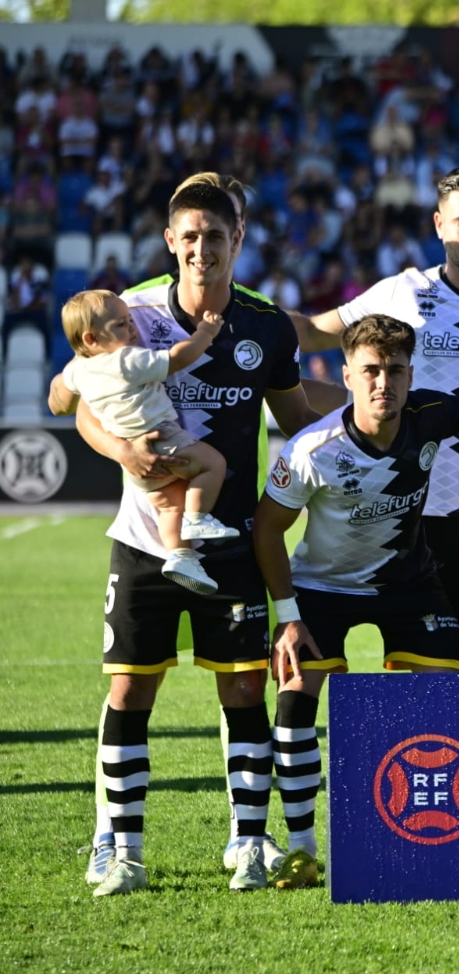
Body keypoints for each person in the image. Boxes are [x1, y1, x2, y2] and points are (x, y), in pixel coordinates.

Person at [57, 181, 320, 895]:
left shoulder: (266, 326)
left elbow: (298, 417)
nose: (204, 249)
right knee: (127, 693)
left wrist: (380, 415)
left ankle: (248, 840)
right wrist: (121, 453)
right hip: (143, 540)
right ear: (172, 242)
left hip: (229, 539)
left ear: (240, 239)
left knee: (241, 690)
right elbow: (77, 402)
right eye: (191, 236)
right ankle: (118, 844)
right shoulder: (131, 312)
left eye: (218, 235)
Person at [252, 314, 459, 890]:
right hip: (321, 590)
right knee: (296, 696)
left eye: (396, 371)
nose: (384, 383)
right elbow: (266, 530)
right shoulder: (312, 449)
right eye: (371, 371)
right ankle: (302, 848)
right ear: (346, 375)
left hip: (409, 587)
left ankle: (430, 834)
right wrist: (287, 619)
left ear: (411, 375)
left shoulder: (435, 416)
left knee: (445, 700)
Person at [291, 168, 459, 618]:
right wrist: (240, 314)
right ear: (438, 225)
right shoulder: (402, 292)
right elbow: (314, 331)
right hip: (412, 505)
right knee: (426, 661)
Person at [51, 290, 238, 593]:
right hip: (162, 435)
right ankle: (198, 518)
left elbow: (60, 394)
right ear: (90, 339)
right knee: (213, 465)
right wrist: (206, 332)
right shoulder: (126, 359)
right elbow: (178, 358)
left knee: (168, 507)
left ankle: (180, 556)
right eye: (121, 325)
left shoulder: (76, 371)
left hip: (135, 460)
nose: (133, 328)